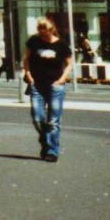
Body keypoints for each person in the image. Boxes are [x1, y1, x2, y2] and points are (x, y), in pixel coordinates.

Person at [23, 17, 73, 163]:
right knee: (37, 118)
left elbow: (69, 63)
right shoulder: (33, 41)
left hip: (55, 85)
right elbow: (26, 58)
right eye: (40, 32)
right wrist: (28, 74)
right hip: (37, 84)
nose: (42, 36)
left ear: (51, 30)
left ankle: (52, 150)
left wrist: (63, 79)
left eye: (45, 33)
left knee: (53, 121)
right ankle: (46, 140)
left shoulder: (61, 45)